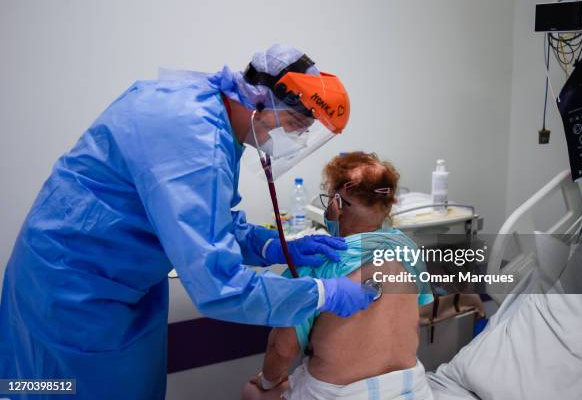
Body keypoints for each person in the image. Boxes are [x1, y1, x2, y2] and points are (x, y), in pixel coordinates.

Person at [0, 45, 376, 399]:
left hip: (121, 281)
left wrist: (272, 246)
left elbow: (207, 218)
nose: (293, 136)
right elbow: (220, 285)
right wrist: (323, 294)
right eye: (294, 122)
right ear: (259, 99)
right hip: (73, 290)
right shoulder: (195, 138)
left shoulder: (204, 107)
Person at [241, 152, 435, 400]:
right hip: (411, 388)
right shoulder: (409, 251)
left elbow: (283, 349)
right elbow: (424, 311)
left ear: (336, 205)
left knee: (252, 393)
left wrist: (268, 382)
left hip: (341, 394)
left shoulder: (316, 263)